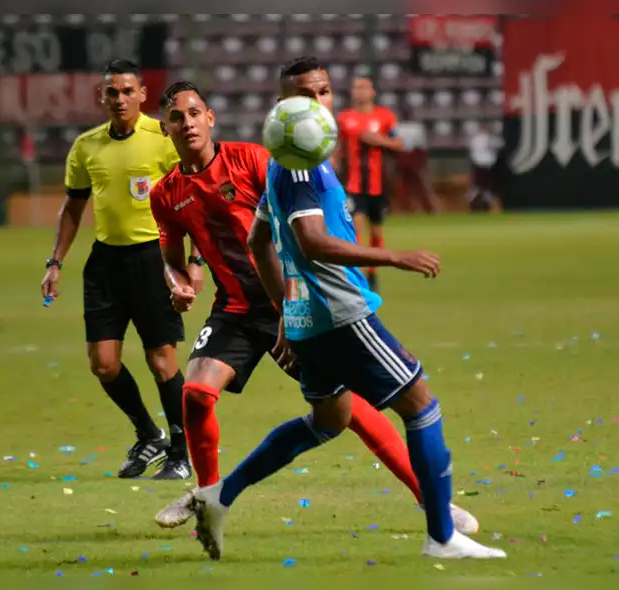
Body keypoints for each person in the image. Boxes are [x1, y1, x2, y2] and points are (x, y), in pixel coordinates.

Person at [187, 57, 504, 561]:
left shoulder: (281, 163)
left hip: (309, 322)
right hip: (341, 313)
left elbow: (259, 239)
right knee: (422, 406)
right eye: (303, 95)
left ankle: (218, 496)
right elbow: (311, 242)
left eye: (324, 91)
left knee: (328, 421)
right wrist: (394, 257)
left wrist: (287, 316)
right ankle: (443, 536)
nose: (318, 103)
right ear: (280, 107)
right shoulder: (299, 167)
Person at [40, 59, 202, 480]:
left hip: (154, 258)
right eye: (112, 92)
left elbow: (194, 201)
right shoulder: (86, 147)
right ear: (101, 96)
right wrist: (55, 262)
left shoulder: (163, 138)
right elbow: (73, 208)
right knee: (103, 363)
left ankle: (182, 452)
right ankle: (149, 435)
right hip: (106, 262)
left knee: (162, 362)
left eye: (128, 91)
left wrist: (193, 262)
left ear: (143, 94)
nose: (120, 99)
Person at [335, 76, 402, 292]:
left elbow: (398, 144)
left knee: (376, 229)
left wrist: (378, 141)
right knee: (356, 226)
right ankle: (354, 274)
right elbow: (336, 147)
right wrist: (333, 161)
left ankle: (372, 273)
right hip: (353, 184)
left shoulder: (385, 117)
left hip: (378, 185)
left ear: (373, 92)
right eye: (356, 87)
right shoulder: (344, 118)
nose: (360, 91)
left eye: (364, 87)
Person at [466, 121, 503, 213]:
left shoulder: (492, 138)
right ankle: (475, 205)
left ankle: (485, 205)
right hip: (480, 166)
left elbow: (499, 146)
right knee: (478, 188)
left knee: (489, 189)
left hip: (490, 166)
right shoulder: (478, 139)